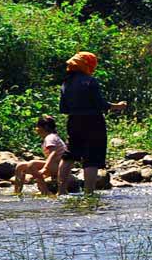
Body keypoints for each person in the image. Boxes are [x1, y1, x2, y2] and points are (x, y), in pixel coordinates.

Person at [57, 51, 127, 195]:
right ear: (88, 65)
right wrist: (118, 106)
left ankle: (61, 191)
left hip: (73, 121)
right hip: (93, 121)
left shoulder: (66, 83)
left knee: (69, 155)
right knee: (92, 158)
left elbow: (63, 109)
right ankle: (89, 194)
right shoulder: (90, 81)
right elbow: (100, 104)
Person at [13, 115, 67, 195]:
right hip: (55, 164)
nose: (36, 129)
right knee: (20, 166)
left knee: (32, 164)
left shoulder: (50, 138)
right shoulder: (51, 137)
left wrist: (45, 168)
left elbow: (53, 153)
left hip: (60, 166)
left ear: (44, 127)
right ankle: (17, 192)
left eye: (37, 126)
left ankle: (45, 191)